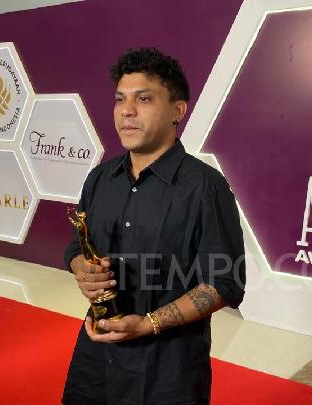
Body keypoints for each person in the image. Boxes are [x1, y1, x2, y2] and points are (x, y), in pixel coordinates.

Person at [61, 47, 246, 405]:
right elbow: (76, 246)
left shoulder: (205, 187)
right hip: (96, 359)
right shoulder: (100, 178)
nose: (127, 111)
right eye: (120, 99)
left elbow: (224, 283)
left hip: (168, 371)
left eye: (143, 99)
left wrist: (148, 324)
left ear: (178, 110)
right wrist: (82, 269)